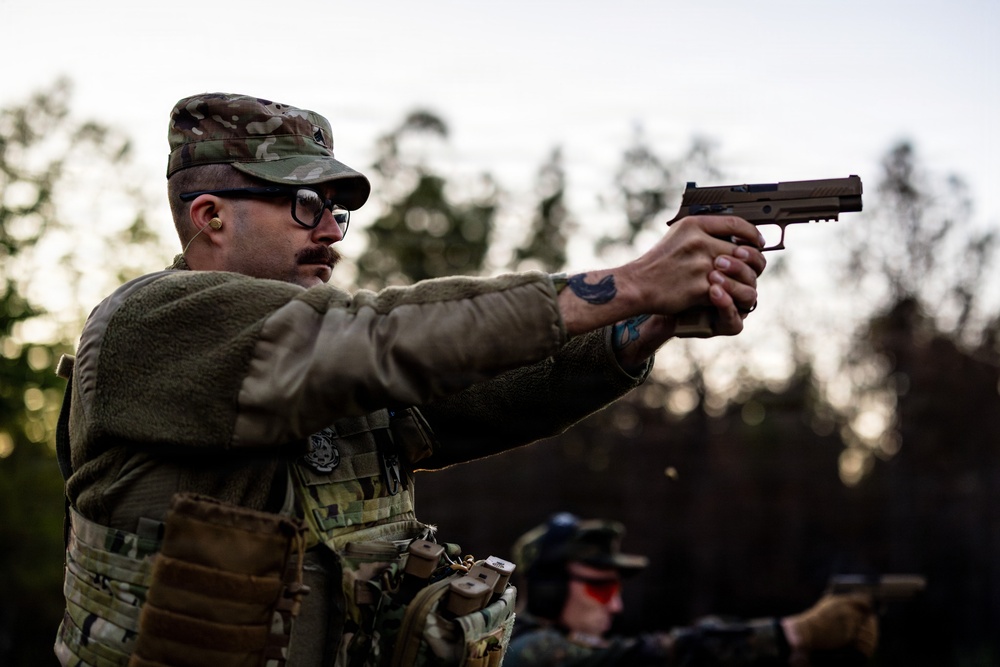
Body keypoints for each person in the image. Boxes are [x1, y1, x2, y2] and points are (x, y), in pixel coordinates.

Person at [53, 92, 767, 667]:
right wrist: (634, 282)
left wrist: (638, 329)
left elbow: (473, 396)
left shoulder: (322, 359)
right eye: (305, 204)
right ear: (210, 215)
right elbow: (388, 333)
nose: (332, 229)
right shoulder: (153, 324)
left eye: (338, 209)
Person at [506, 513, 879, 667]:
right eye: (601, 589)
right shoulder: (525, 652)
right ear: (549, 591)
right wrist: (795, 633)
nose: (616, 605)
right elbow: (653, 657)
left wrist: (798, 651)